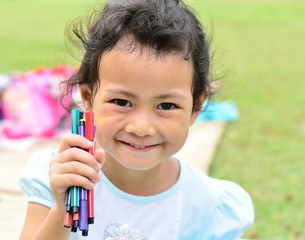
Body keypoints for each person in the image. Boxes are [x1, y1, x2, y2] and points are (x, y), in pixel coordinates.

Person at [19, 0, 254, 239]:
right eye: (122, 102)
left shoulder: (207, 206)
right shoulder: (58, 175)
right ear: (88, 97)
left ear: (195, 107)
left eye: (166, 105)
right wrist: (62, 209)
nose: (141, 127)